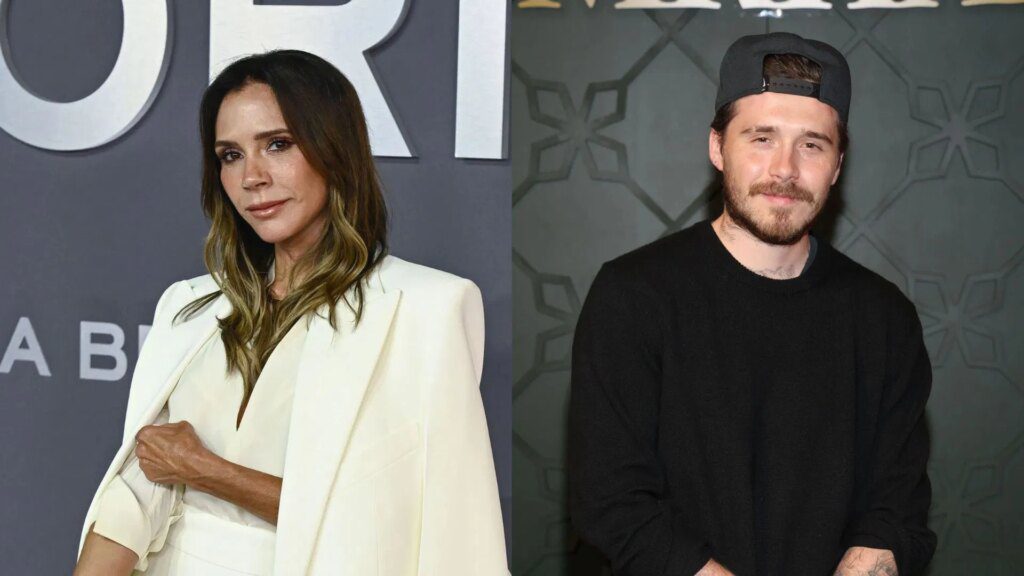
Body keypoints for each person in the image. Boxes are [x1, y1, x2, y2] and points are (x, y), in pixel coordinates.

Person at [73, 50, 508, 575]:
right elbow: (137, 494)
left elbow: (438, 530)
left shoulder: (426, 309)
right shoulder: (187, 307)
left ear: (334, 148)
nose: (252, 177)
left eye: (277, 144)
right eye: (230, 155)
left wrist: (208, 470)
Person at [568, 33, 936, 576]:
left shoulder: (885, 319)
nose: (785, 169)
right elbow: (613, 502)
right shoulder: (633, 297)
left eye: (812, 145)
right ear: (718, 148)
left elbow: (896, 509)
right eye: (762, 138)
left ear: (837, 165)